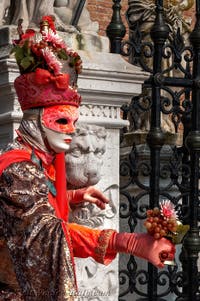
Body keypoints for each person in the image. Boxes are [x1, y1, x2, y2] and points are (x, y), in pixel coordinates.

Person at [0, 16, 175, 301]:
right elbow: (48, 237)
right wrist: (128, 241)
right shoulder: (18, 169)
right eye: (61, 121)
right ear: (34, 122)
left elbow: (29, 210)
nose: (71, 131)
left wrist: (73, 196)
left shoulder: (33, 162)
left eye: (74, 122)